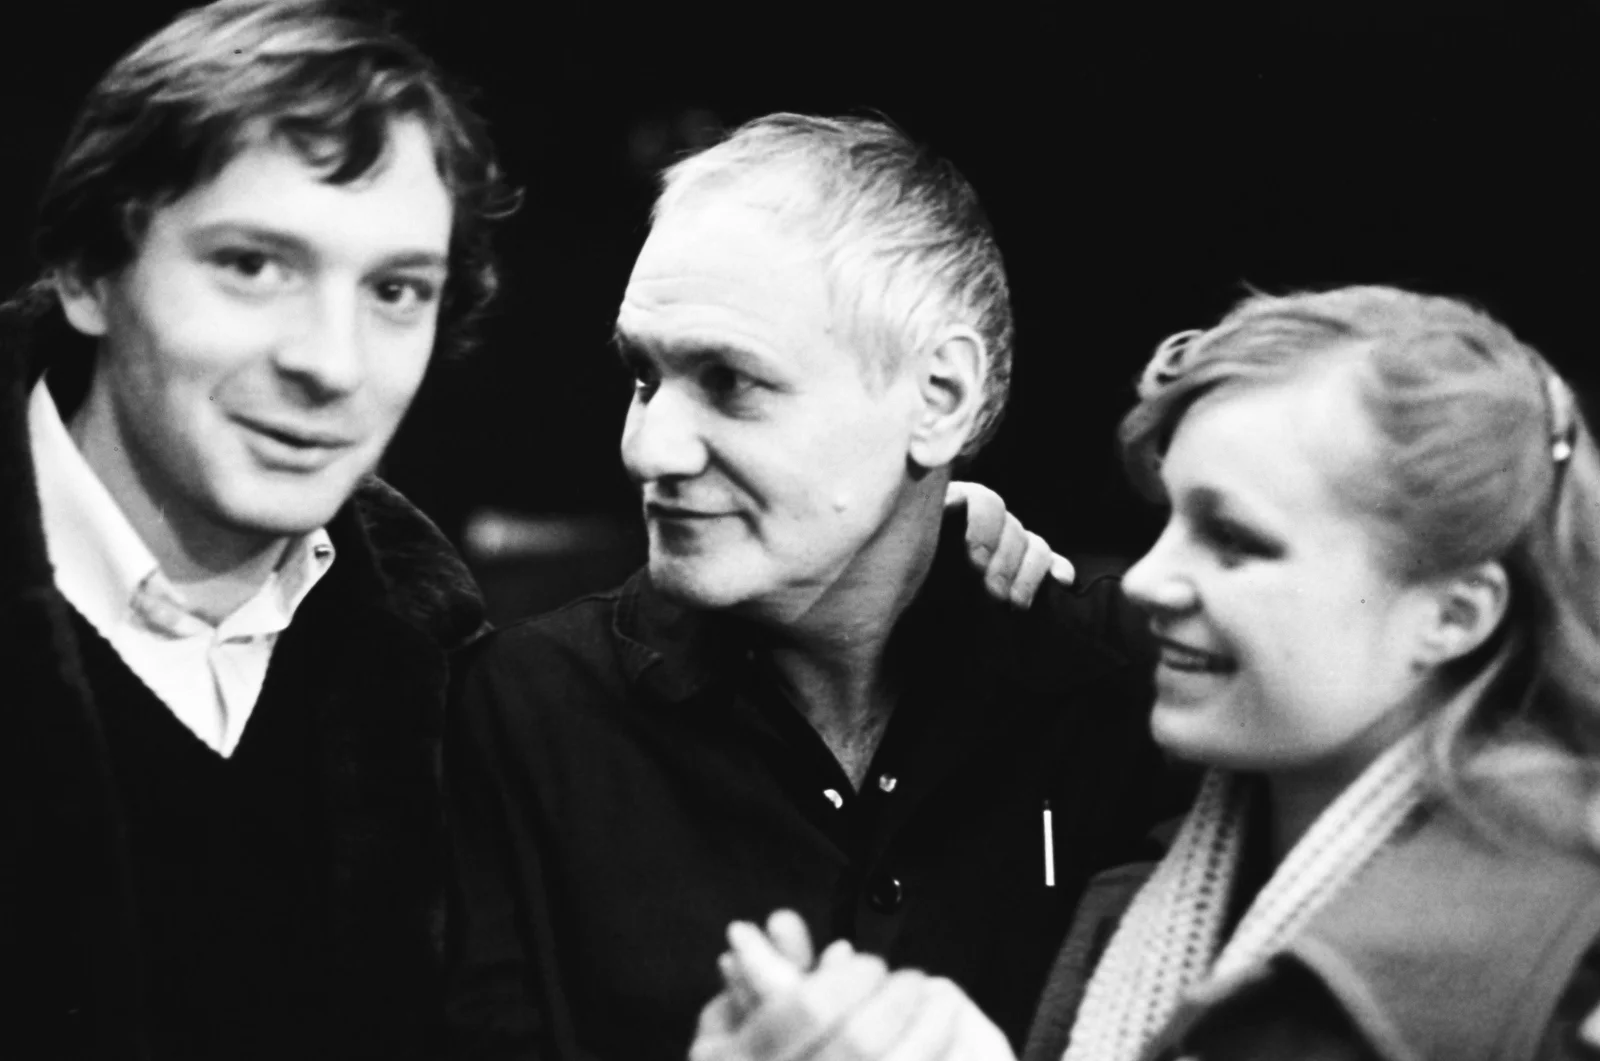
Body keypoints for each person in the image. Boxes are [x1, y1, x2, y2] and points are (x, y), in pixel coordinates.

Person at [691, 285, 1600, 1061]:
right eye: (1165, 521)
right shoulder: (1148, 893)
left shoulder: (1567, 976)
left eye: (1233, 539)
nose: (1147, 578)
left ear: (1454, 614)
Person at [444, 114, 1184, 1060]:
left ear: (941, 397)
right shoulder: (526, 709)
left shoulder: (1123, 694)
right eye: (643, 375)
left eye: (731, 381)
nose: (649, 449)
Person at [0, 1, 515, 1056]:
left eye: (396, 289)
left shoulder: (445, 663)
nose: (332, 361)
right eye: (252, 264)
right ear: (89, 272)